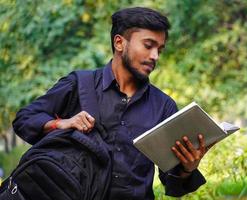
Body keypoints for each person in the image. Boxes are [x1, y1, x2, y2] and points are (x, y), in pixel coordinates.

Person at [13, 7, 209, 199]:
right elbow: (24, 119)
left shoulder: (163, 106)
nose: (155, 56)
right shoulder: (79, 84)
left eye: (160, 49)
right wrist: (61, 123)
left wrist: (187, 169)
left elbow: (172, 184)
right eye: (148, 45)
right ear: (119, 43)